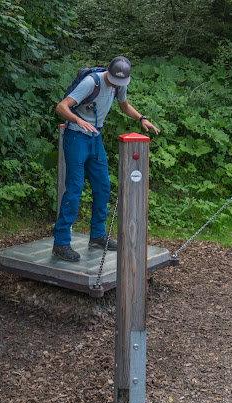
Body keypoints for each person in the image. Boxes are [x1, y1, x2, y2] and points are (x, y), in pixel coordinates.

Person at [52, 56, 160, 262]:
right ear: (108, 73)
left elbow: (124, 105)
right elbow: (61, 107)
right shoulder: (91, 82)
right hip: (76, 137)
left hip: (95, 138)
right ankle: (61, 243)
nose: (117, 85)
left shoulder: (119, 85)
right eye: (114, 80)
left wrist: (142, 119)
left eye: (121, 83)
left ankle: (97, 235)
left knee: (103, 187)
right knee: (74, 189)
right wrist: (78, 120)